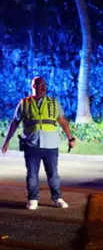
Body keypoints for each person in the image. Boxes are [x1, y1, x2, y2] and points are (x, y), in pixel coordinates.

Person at [1, 77, 75, 210]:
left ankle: (56, 198)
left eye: (44, 85)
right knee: (32, 175)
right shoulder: (24, 103)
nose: (43, 87)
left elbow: (63, 121)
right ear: (33, 86)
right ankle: (33, 199)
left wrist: (71, 138)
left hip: (50, 144)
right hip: (31, 144)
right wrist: (6, 142)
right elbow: (14, 122)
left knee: (53, 174)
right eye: (40, 85)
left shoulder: (53, 102)